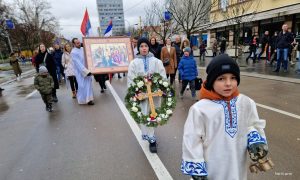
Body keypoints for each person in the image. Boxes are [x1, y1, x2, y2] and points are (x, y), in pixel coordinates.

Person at [181, 54, 268, 180]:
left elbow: (251, 125)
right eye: (221, 79)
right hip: (212, 168)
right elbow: (192, 139)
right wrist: (196, 167)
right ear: (211, 81)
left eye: (233, 78)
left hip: (237, 165)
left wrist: (255, 139)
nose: (228, 83)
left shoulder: (246, 102)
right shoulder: (200, 109)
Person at [127, 37, 167, 153]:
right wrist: (135, 91)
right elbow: (131, 79)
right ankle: (150, 137)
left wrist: (161, 87)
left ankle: (152, 137)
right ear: (138, 48)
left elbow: (162, 76)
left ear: (149, 47)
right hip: (142, 96)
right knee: (144, 115)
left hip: (154, 94)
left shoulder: (156, 61)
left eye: (146, 46)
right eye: (141, 46)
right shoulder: (134, 63)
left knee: (153, 115)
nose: (144, 48)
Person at [71, 38, 94, 105]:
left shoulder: (83, 49)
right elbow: (78, 63)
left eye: (79, 42)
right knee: (82, 86)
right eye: (77, 43)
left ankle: (89, 100)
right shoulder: (73, 52)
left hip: (87, 69)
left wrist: (91, 68)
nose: (79, 44)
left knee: (88, 85)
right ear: (74, 44)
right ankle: (82, 99)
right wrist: (85, 71)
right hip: (80, 72)